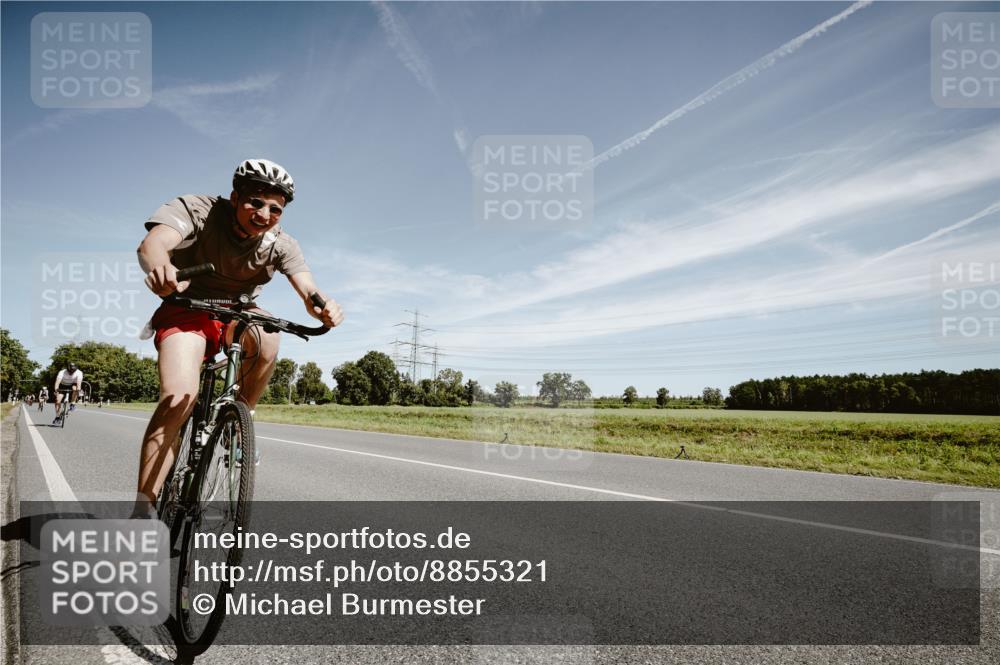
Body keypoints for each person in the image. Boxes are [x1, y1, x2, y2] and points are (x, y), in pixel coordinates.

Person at [134, 158, 343, 516]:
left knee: (269, 336)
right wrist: (160, 267)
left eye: (275, 208)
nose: (264, 214)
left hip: (237, 310)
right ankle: (143, 510)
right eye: (255, 202)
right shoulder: (198, 209)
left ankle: (237, 421)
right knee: (178, 398)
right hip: (187, 305)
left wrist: (322, 306)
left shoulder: (281, 244)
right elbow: (153, 245)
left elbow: (307, 286)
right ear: (234, 197)